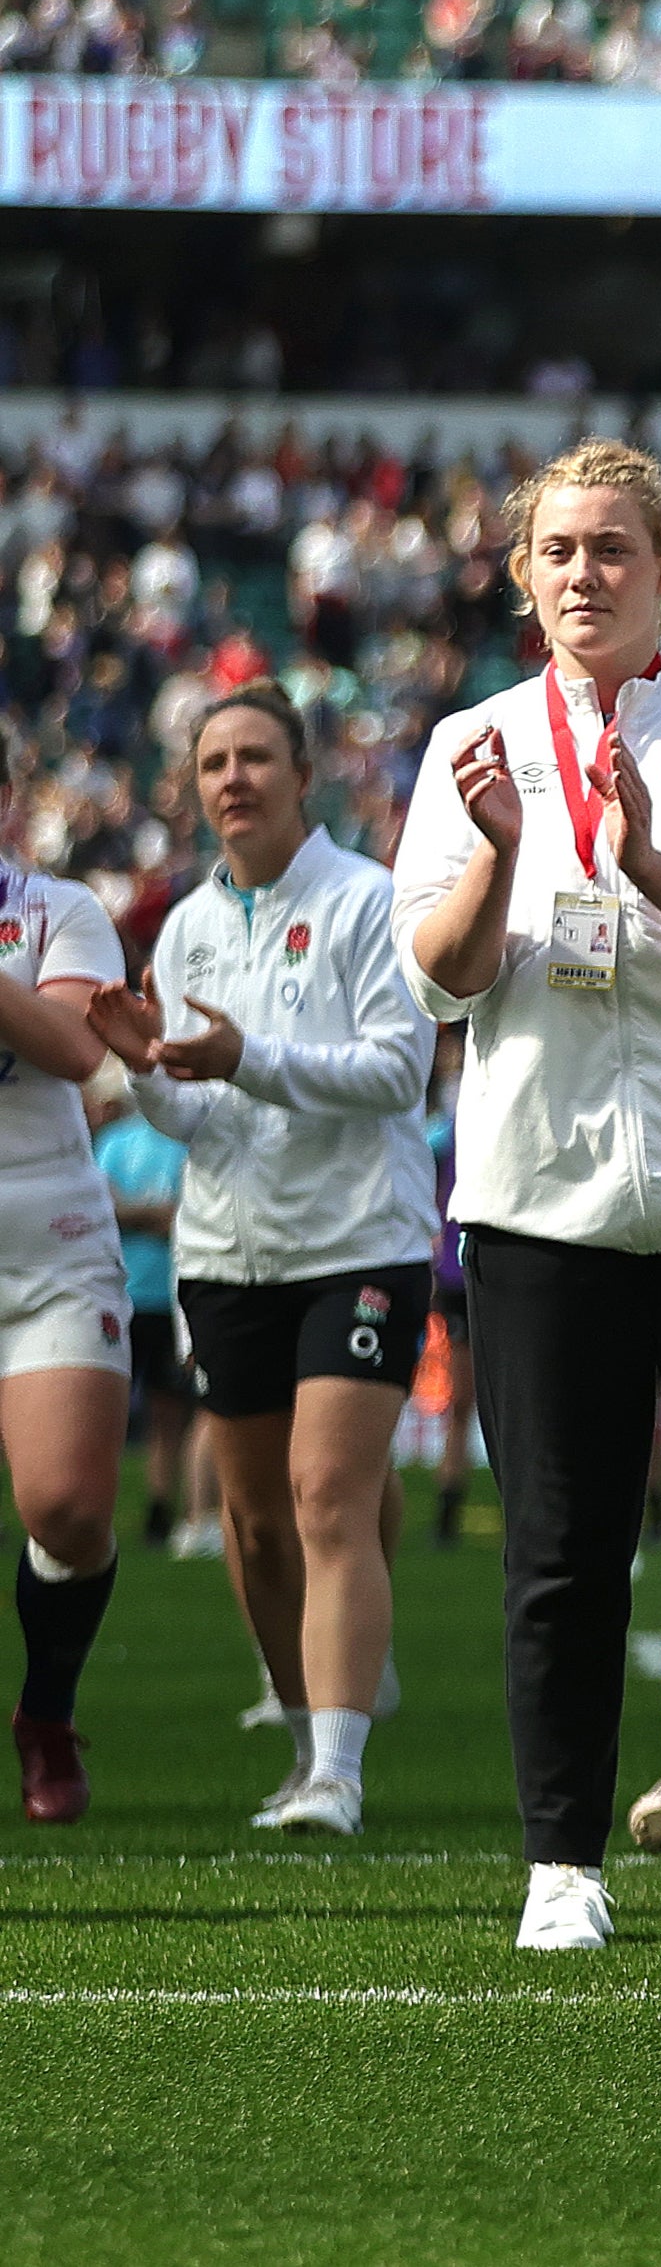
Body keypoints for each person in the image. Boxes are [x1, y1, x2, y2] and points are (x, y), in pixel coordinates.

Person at [395, 438, 661, 1951]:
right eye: (559, 551)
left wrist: (640, 858)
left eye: (615, 550)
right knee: (562, 1545)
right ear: (522, 575)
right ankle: (560, 1857)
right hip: (536, 1195)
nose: (586, 575)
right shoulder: (472, 744)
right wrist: (502, 858)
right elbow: (439, 980)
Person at [90, 682, 437, 1837]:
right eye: (212, 764)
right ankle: (301, 1739)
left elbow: (398, 1069)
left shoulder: (365, 899)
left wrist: (248, 1058)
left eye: (253, 757)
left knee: (326, 1490)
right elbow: (187, 1119)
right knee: (250, 1523)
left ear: (302, 772)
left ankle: (340, 1770)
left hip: (359, 1243)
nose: (231, 778)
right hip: (228, 1250)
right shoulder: (186, 923)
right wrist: (143, 1065)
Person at [1, 734, 130, 1825]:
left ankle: (46, 1707)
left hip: (48, 1231)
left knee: (69, 1508)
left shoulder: (60, 910)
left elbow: (78, 1049)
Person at [90, 1068, 198, 1552]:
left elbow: (187, 1214)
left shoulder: (184, 1140)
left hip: (168, 1296)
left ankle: (159, 1511)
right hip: (123, 1293)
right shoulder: (115, 1141)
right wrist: (153, 1216)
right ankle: (95, 1511)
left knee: (167, 1414)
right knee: (107, 1414)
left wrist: (130, 1213)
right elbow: (98, 1210)